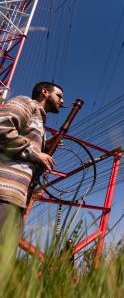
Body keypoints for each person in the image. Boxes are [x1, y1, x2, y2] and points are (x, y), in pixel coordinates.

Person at [0, 81, 64, 258]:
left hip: (16, 199)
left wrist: (45, 146)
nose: (62, 101)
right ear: (44, 92)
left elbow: (26, 151)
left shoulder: (40, 123)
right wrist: (36, 153)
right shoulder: (26, 103)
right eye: (59, 96)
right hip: (3, 191)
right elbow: (2, 127)